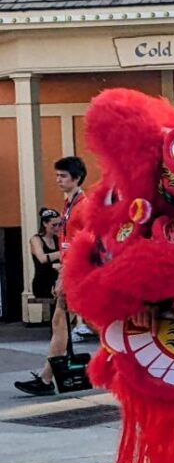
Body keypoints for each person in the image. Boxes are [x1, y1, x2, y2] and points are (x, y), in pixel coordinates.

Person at [14, 157, 88, 396]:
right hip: (72, 271)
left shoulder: (82, 207)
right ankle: (46, 379)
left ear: (76, 178)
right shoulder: (69, 205)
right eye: (57, 175)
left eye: (63, 176)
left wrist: (66, 275)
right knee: (61, 322)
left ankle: (46, 380)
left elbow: (84, 243)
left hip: (78, 273)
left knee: (98, 325)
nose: (57, 180)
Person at [29, 207, 61, 302]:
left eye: (59, 224)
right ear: (45, 224)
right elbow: (42, 258)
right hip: (42, 283)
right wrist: (62, 253)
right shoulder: (36, 239)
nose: (57, 228)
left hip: (56, 281)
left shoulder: (58, 239)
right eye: (54, 225)